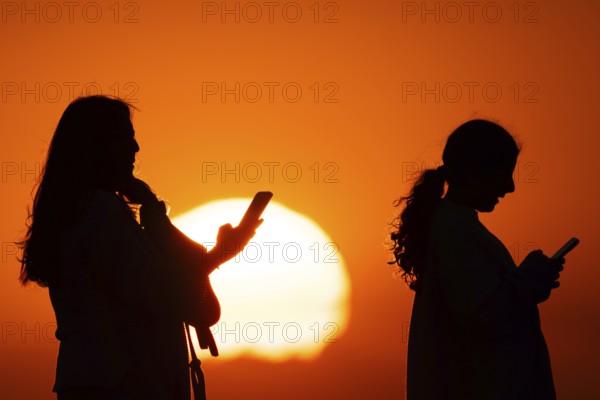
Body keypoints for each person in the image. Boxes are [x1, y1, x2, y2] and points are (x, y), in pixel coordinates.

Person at [18, 95, 261, 400]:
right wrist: (217, 254)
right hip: (122, 386)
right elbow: (164, 294)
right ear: (96, 146)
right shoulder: (99, 210)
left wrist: (214, 255)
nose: (136, 149)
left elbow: (157, 288)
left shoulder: (82, 210)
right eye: (125, 138)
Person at [388, 119, 564, 400]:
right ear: (473, 172)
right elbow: (484, 317)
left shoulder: (455, 227)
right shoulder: (455, 232)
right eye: (502, 174)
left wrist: (529, 282)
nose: (510, 187)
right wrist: (527, 280)